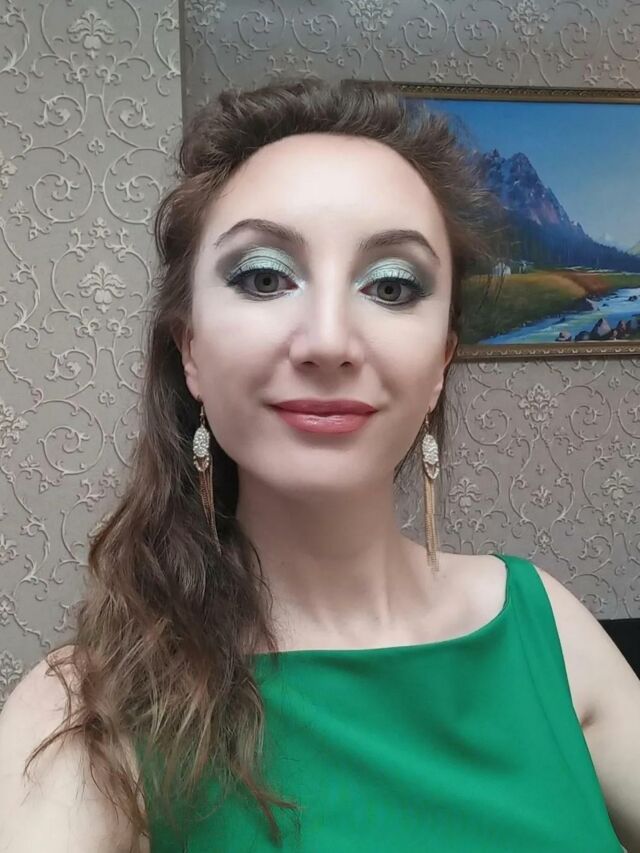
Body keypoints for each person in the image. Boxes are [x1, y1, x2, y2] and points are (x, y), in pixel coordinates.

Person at [0, 76, 638, 853]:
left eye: (392, 285)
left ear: (440, 362)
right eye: (264, 277)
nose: (329, 340)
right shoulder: (81, 715)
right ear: (191, 349)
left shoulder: (548, 628)